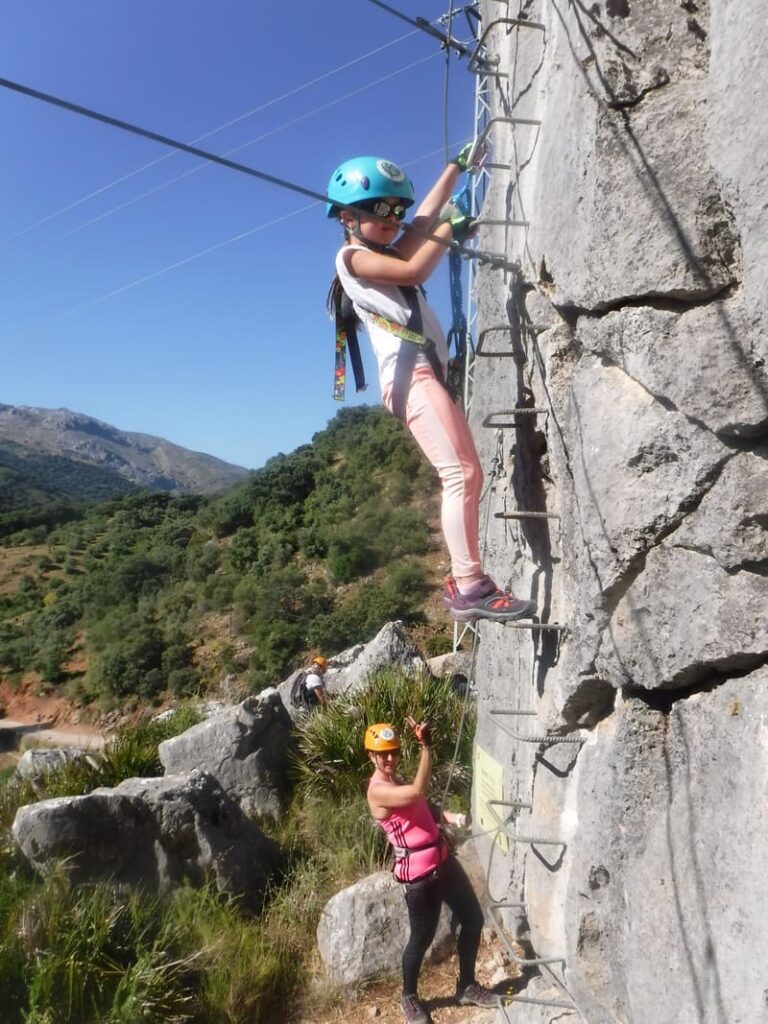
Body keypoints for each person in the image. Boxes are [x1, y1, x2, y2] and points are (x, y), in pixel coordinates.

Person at [326, 151, 535, 623]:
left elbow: (419, 224)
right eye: (379, 211)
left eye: (394, 210)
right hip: (411, 377)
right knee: (461, 474)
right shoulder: (352, 257)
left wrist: (455, 169)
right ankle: (468, 586)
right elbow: (416, 268)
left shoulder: (381, 245)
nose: (391, 219)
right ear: (348, 217)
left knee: (466, 473)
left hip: (422, 375)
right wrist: (450, 229)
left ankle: (469, 582)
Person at [365, 720, 498, 1023]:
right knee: (421, 940)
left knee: (473, 919)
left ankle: (466, 985)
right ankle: (409, 996)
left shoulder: (395, 781)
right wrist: (426, 745)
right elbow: (417, 791)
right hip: (419, 877)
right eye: (382, 754)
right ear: (370, 755)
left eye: (394, 752)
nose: (389, 759)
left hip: (443, 861)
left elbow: (421, 803)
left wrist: (445, 814)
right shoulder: (378, 792)